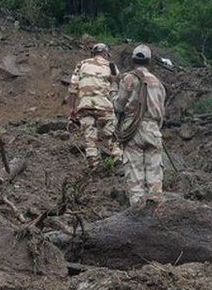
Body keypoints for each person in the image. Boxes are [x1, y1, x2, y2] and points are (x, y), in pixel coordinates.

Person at [113, 44, 167, 207]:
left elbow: (119, 106)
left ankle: (137, 213)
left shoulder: (128, 78)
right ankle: (156, 214)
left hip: (133, 131)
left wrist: (112, 91)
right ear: (149, 61)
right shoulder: (157, 83)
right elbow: (161, 111)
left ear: (132, 60)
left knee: (136, 179)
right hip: (153, 130)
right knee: (155, 178)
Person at [67, 43, 120, 170]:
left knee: (89, 137)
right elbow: (116, 82)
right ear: (106, 54)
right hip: (104, 106)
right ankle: (118, 158)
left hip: (85, 106)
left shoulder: (82, 64)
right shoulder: (111, 65)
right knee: (111, 134)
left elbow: (73, 87)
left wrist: (71, 110)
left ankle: (93, 165)